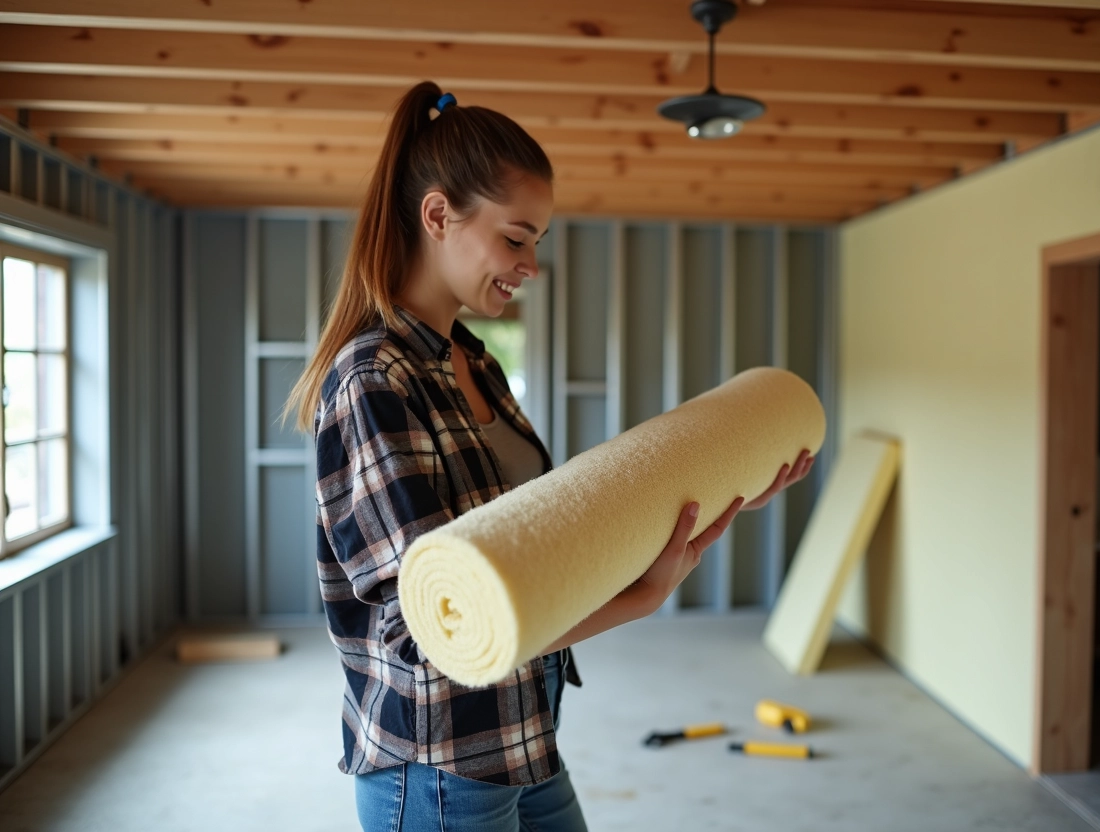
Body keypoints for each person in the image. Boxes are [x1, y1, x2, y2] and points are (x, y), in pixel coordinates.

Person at [286, 81, 814, 832]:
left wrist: (728, 479)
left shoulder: (474, 362)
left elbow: (550, 536)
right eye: (516, 236)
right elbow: (432, 633)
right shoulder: (372, 380)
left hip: (525, 738)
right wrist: (637, 601)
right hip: (438, 764)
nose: (529, 264)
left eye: (536, 242)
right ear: (438, 215)